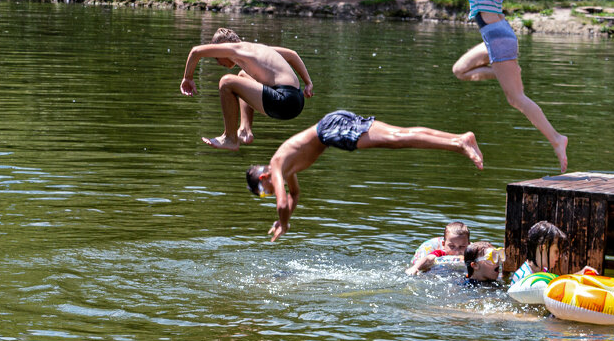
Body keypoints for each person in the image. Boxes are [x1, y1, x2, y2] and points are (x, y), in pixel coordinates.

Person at [245, 110, 483, 241]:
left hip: (330, 131)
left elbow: (282, 202)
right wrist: (286, 216)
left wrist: (283, 224)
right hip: (332, 125)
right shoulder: (288, 169)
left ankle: (459, 143)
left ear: (264, 179)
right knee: (399, 136)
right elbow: (294, 195)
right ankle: (459, 139)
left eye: (263, 193)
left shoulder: (276, 167)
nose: (269, 193)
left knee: (397, 140)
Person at [442, 0, 568, 173]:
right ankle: (504, 73)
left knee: (516, 98)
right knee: (459, 70)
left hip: (498, 37)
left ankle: (556, 139)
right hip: (498, 35)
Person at [180, 27, 314, 150]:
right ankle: (245, 130)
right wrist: (308, 83)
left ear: (223, 49)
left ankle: (230, 138)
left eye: (216, 57)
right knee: (242, 76)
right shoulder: (257, 48)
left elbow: (195, 52)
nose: (219, 63)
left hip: (283, 100)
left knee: (226, 81)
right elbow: (292, 54)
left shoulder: (235, 48)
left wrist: (188, 78)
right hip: (296, 100)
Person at [507, 220, 567, 285]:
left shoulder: (544, 271)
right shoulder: (523, 277)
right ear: (542, 248)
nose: (559, 255)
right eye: (556, 251)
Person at [406, 221, 471, 275]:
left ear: (468, 245)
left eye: (462, 247)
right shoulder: (440, 253)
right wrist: (415, 268)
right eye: (452, 246)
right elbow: (428, 259)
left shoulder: (471, 255)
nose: (457, 251)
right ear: (443, 244)